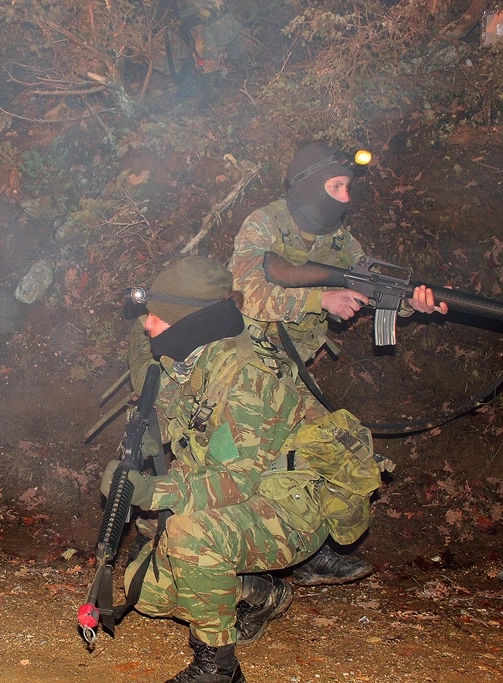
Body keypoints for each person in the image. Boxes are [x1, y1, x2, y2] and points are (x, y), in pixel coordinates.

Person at [102, 257, 383, 683]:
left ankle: (217, 667)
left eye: (158, 317)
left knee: (190, 537)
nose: (147, 325)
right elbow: (168, 411)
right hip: (241, 495)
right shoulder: (191, 358)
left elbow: (235, 482)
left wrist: (151, 491)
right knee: (148, 593)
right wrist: (142, 441)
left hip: (291, 508)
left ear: (190, 322)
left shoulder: (249, 379)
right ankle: (261, 592)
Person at [227, 141, 446, 585]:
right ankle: (222, 547)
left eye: (349, 188)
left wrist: (413, 302)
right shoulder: (265, 224)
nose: (345, 198)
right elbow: (244, 294)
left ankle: (304, 547)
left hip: (290, 367)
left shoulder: (341, 241)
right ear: (309, 184)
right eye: (336, 187)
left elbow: (372, 283)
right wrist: (319, 299)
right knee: (253, 456)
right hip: (240, 358)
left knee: (327, 446)